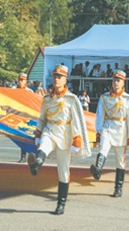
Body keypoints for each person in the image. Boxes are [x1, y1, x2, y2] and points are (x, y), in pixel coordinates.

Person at [27, 64, 90, 215]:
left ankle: (61, 203)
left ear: (65, 80)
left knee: (63, 171)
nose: (56, 79)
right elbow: (42, 119)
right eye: (55, 76)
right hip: (50, 130)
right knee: (43, 146)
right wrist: (38, 134)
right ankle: (37, 165)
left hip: (65, 135)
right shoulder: (47, 99)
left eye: (60, 77)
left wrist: (77, 139)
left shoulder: (71, 99)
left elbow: (77, 120)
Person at [89, 70, 129, 197]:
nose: (116, 83)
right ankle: (98, 170)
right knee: (103, 149)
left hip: (121, 130)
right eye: (114, 80)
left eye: (119, 80)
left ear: (123, 83)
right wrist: (98, 131)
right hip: (108, 127)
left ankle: (118, 188)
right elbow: (100, 115)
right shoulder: (104, 97)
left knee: (120, 161)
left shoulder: (128, 99)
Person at [16, 72, 33, 163]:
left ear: (26, 81)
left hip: (28, 117)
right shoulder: (14, 90)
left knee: (29, 137)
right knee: (21, 137)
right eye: (19, 79)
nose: (20, 82)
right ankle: (23, 156)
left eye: (22, 80)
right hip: (18, 116)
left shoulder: (29, 91)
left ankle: (32, 155)